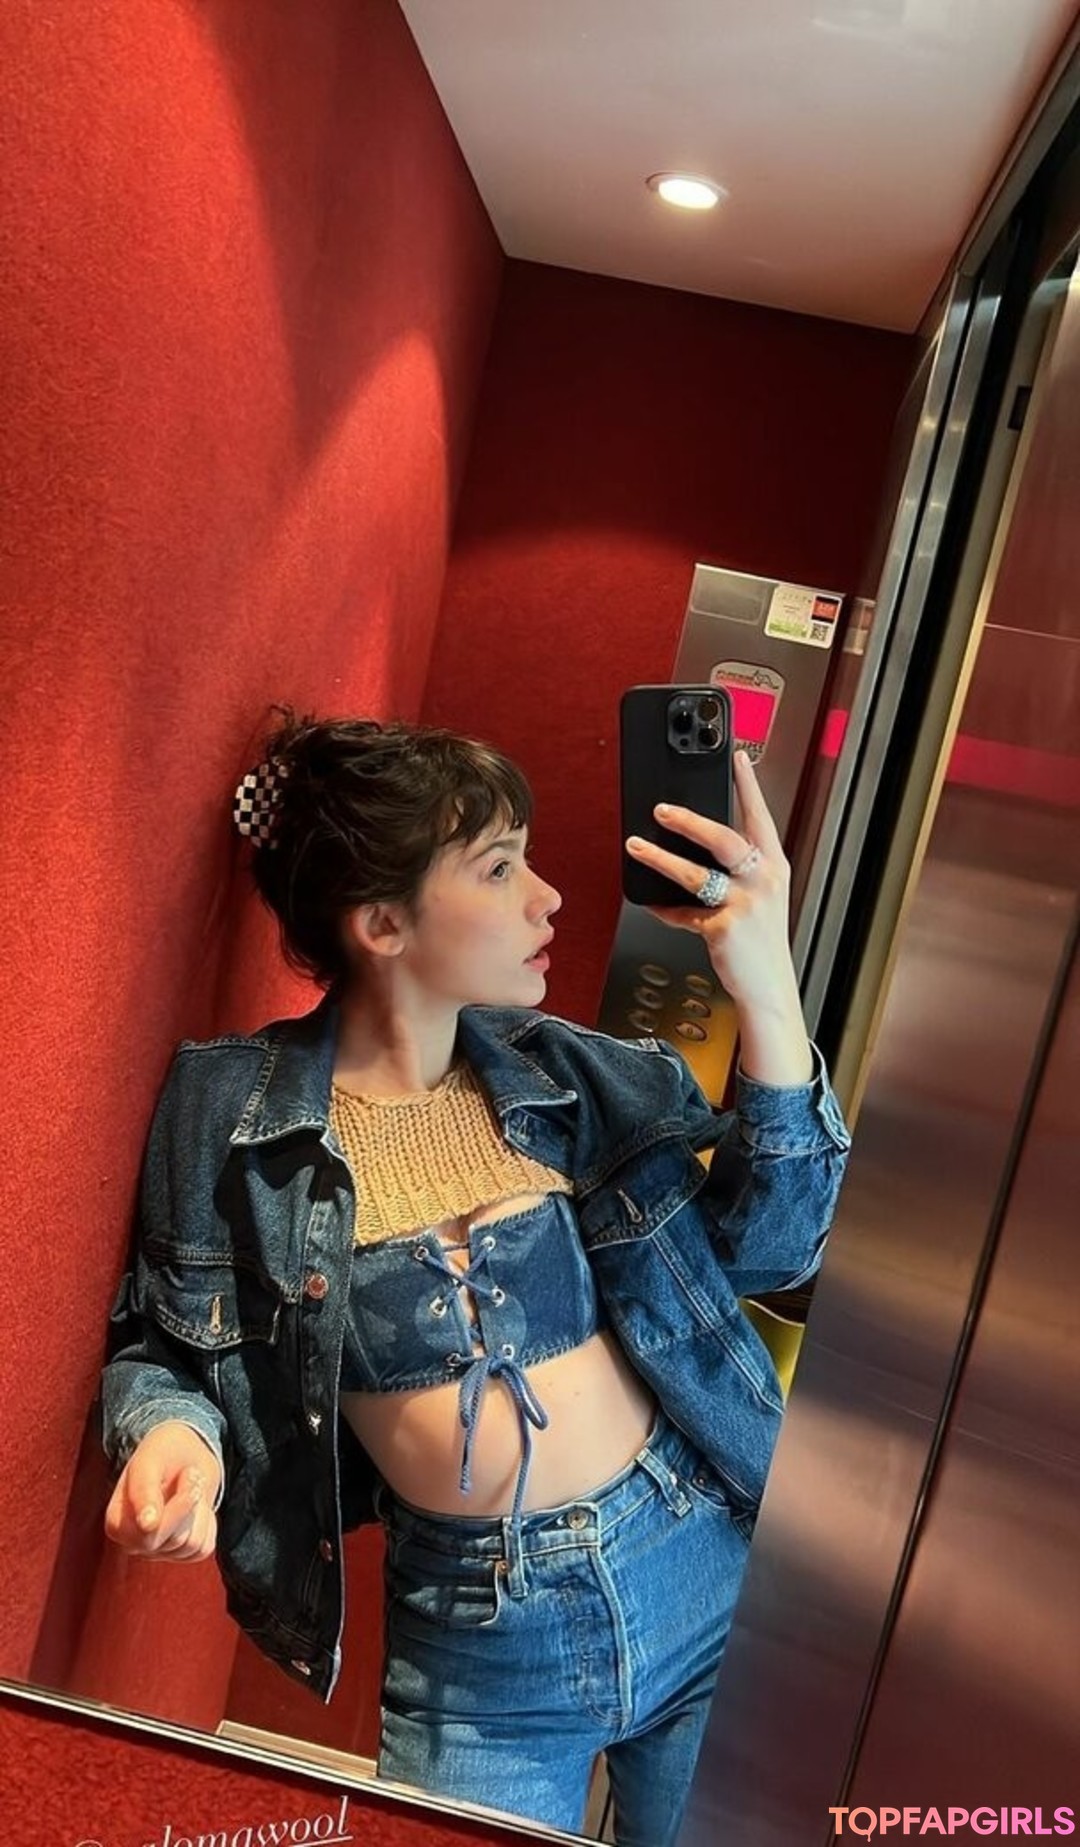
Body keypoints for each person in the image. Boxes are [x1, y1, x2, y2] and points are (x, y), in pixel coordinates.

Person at [102, 711, 849, 1847]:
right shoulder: (225, 1112)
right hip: (481, 1656)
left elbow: (777, 1248)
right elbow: (161, 1347)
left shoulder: (575, 1076)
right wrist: (175, 1438)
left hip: (703, 1562)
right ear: (383, 921)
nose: (547, 897)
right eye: (501, 868)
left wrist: (771, 994)